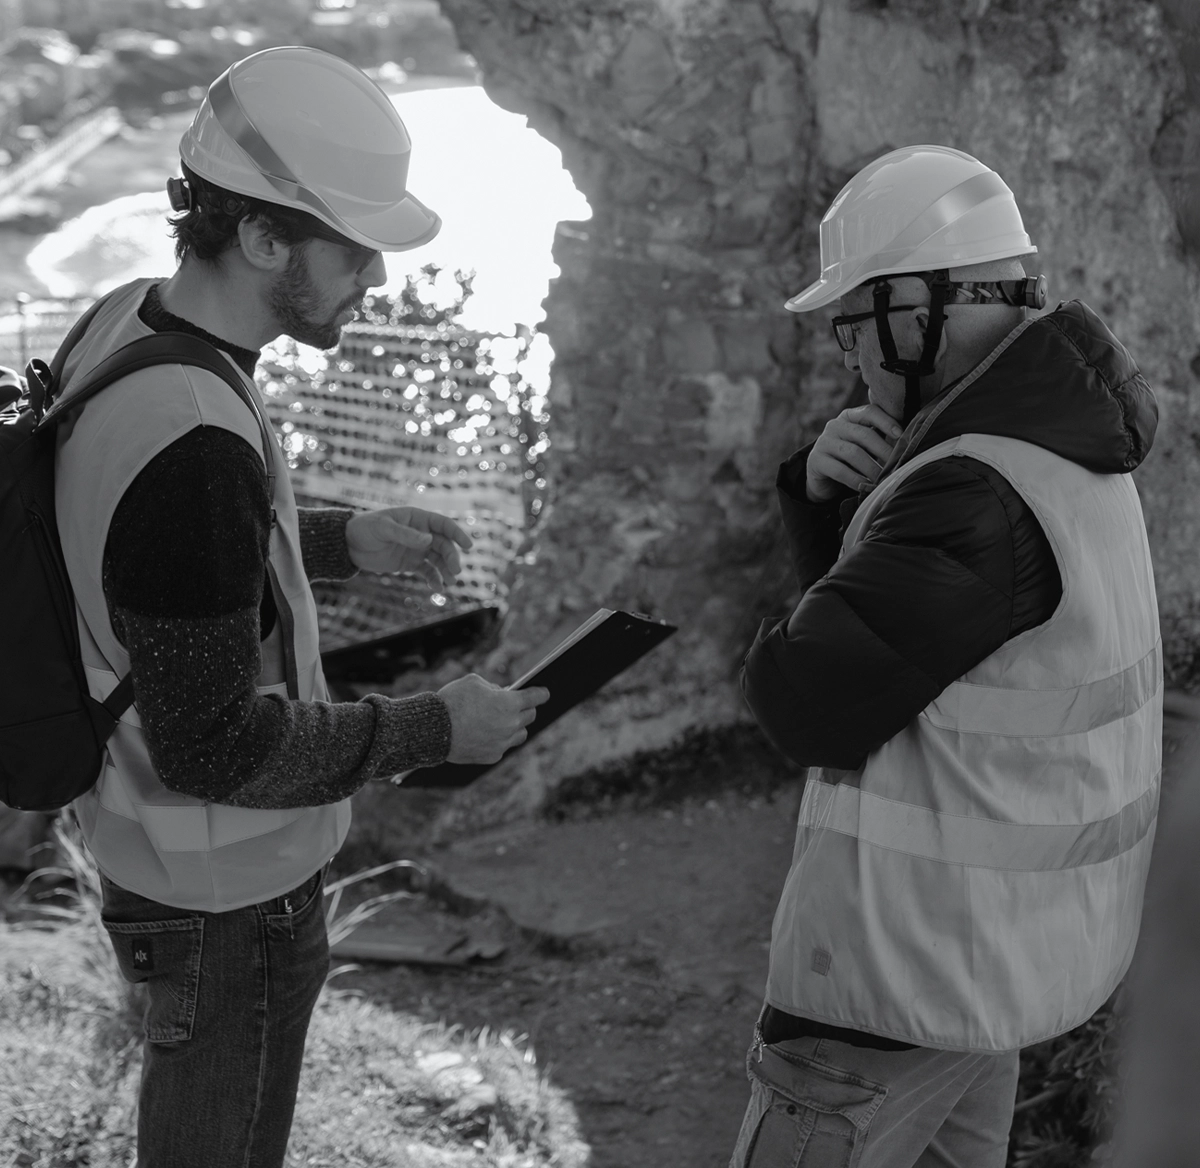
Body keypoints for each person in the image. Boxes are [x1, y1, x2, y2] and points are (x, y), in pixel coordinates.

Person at [51, 46, 549, 1168]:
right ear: (265, 238)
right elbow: (216, 746)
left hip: (153, 862)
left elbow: (153, 559)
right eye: (354, 247)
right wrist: (437, 727)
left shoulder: (125, 329)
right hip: (228, 900)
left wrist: (338, 538)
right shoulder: (196, 443)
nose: (374, 276)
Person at [730, 144, 1162, 1167]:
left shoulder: (970, 490)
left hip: (892, 979)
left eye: (855, 320)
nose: (848, 352)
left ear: (926, 305)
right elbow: (919, 651)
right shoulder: (1061, 439)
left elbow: (808, 701)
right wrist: (832, 505)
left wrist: (833, 522)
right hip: (994, 958)